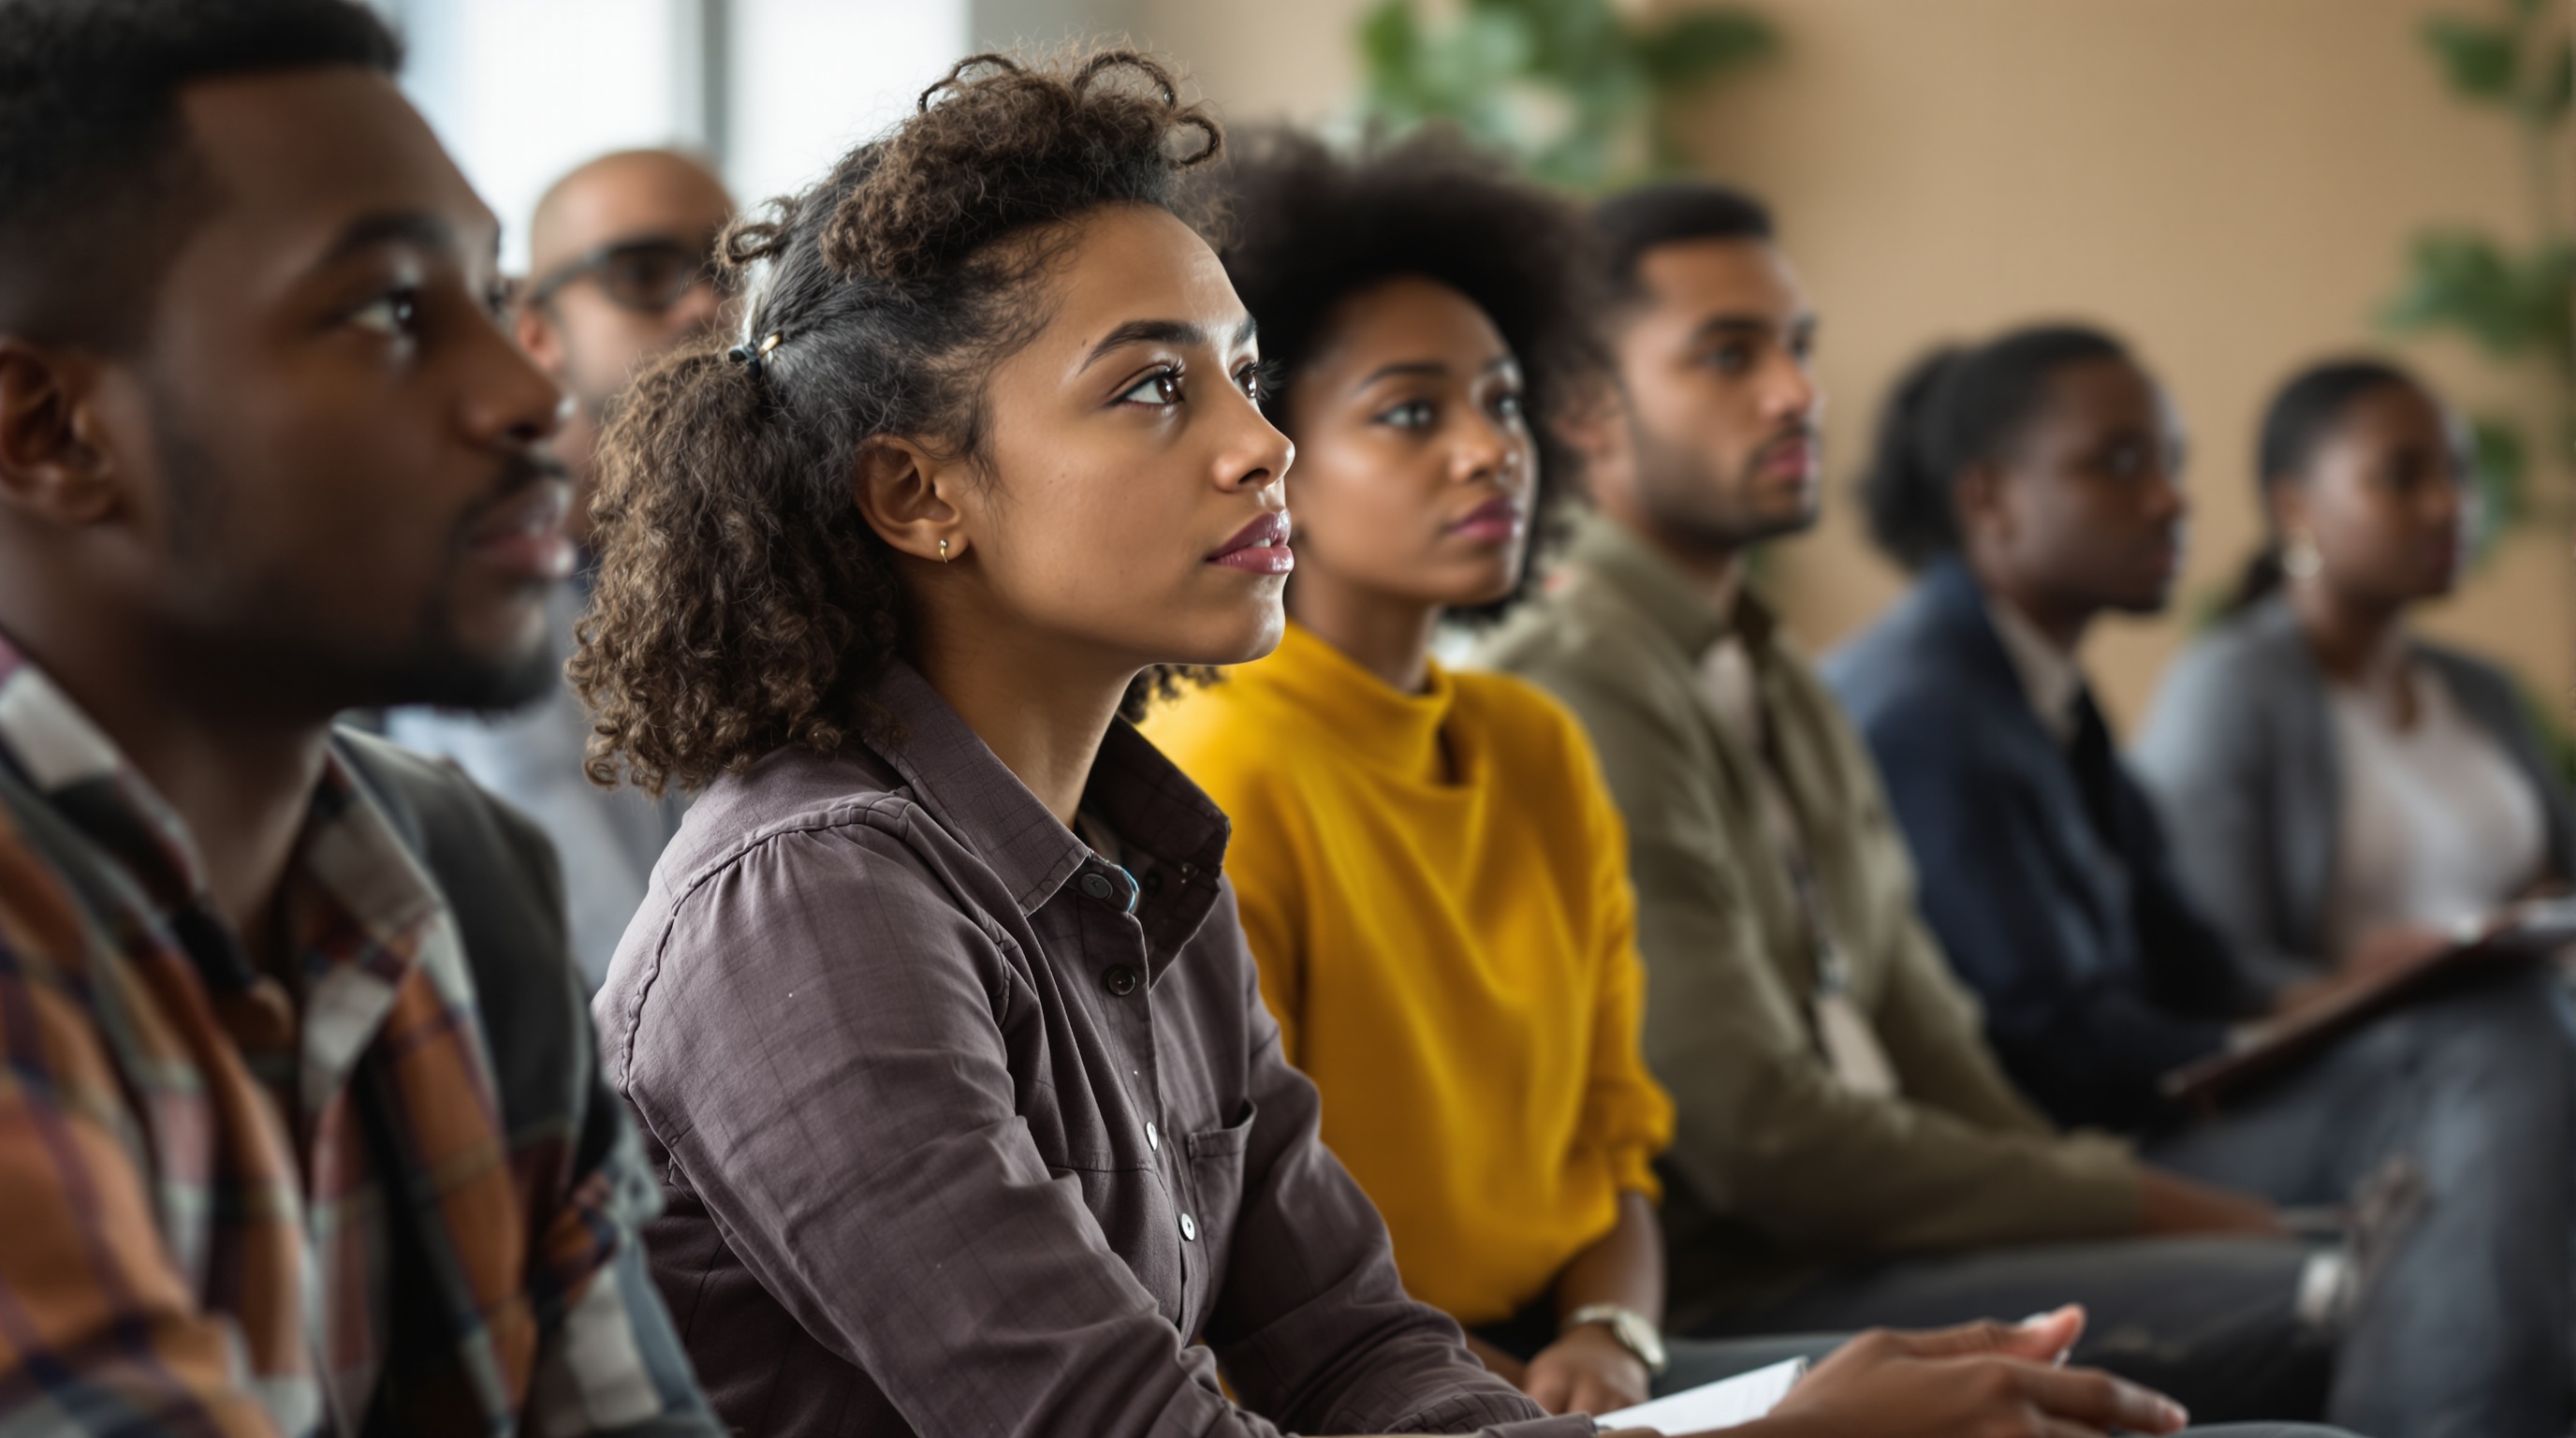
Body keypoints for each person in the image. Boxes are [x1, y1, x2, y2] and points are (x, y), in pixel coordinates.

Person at [571, 48, 2223, 1438]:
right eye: (1152, 391)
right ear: (917, 492)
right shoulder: (812, 906)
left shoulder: (1144, 861)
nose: (1262, 446)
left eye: (1245, 377)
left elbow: (1360, 1352)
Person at [1477, 182, 2344, 1422]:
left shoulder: (1777, 671)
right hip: (1754, 1291)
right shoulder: (1572, 683)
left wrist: (2098, 1197)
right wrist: (2135, 1203)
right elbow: (1758, 1133)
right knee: (2341, 1287)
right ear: (1583, 407)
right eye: (1728, 355)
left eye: (1799, 346)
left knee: (2360, 1236)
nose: (1796, 391)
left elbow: (1932, 1037)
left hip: (1900, 1246)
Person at [0, 0, 715, 1431]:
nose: (529, 391)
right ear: (54, 431)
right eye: (388, 309)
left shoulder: (465, 881)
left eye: (489, 297)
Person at [1821, 322, 2575, 1438]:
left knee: (2495, 1024)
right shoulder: (1924, 706)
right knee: (2486, 1047)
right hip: (2071, 1152)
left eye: (2172, 462)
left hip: (2135, 1108)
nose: (2172, 499)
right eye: (2120, 463)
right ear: (1989, 498)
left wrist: (2342, 995)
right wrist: (2278, 1037)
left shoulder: (2043, 686)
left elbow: (2195, 960)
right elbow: (2050, 1046)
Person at [1139, 132, 1736, 1416]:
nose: (1487, 450)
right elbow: (1240, 1245)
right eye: (1412, 413)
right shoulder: (1224, 767)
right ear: (1270, 453)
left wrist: (1611, 1335)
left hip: (1585, 1355)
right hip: (1354, 1394)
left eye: (1504, 403)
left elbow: (1616, 1135)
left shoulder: (1537, 744)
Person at [388, 148, 728, 985]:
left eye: (729, 266)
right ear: (534, 330)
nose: (707, 304)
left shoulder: (748, 560)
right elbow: (599, 952)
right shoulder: (462, 587)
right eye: (643, 272)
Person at [2133, 359, 2576, 998]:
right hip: (2372, 1045)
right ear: (2293, 506)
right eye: (2402, 476)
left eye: (2460, 474)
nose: (2449, 505)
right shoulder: (2227, 688)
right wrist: (2359, 988)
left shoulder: (2482, 687)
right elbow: (2211, 963)